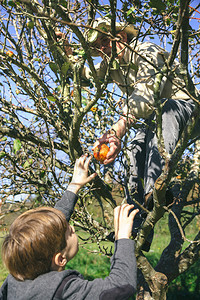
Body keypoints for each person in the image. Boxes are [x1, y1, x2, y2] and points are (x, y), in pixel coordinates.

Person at [0, 154, 139, 300]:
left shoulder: (16, 278)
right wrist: (122, 238)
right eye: (69, 231)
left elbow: (53, 226)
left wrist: (74, 186)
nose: (71, 226)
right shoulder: (63, 291)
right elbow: (122, 285)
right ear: (60, 259)